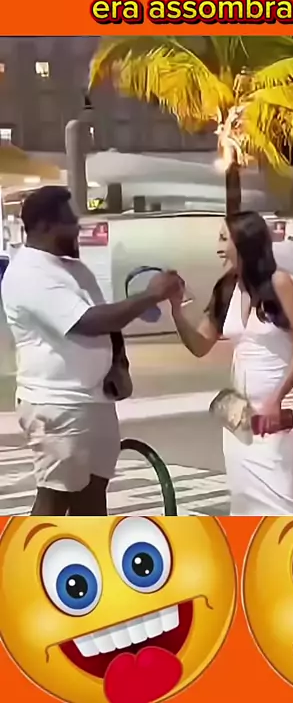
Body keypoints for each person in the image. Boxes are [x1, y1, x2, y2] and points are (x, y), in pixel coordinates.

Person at [1, 186, 181, 516]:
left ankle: (90, 549)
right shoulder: (28, 272)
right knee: (56, 497)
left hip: (93, 401)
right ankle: (29, 551)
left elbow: (108, 319)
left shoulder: (75, 269)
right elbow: (88, 321)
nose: (78, 228)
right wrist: (151, 296)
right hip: (58, 403)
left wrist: (119, 364)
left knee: (93, 494)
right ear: (44, 226)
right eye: (70, 220)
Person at [169, 210, 293, 515]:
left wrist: (277, 398)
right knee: (245, 505)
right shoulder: (226, 288)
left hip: (281, 413)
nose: (218, 248)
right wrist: (176, 311)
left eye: (224, 239)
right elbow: (200, 345)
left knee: (285, 506)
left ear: (244, 242)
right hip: (241, 419)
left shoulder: (281, 283)